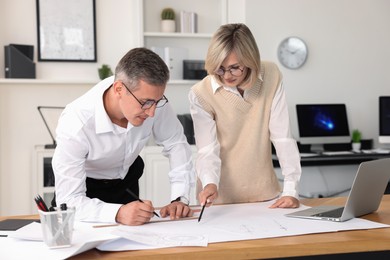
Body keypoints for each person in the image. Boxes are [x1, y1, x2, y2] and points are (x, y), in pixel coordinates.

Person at [52, 47, 195, 226]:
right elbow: (69, 201)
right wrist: (118, 213)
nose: (152, 113)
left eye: (157, 102)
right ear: (119, 89)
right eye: (145, 103)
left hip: (127, 186)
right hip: (84, 195)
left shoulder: (153, 101)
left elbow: (176, 144)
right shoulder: (76, 122)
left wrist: (179, 198)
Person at [189, 23, 301, 209]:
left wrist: (291, 190)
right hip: (218, 198)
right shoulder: (201, 93)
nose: (226, 76)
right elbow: (207, 149)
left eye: (234, 67)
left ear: (250, 60)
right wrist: (209, 183)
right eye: (220, 68)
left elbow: (282, 137)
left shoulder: (271, 75)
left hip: (265, 195)